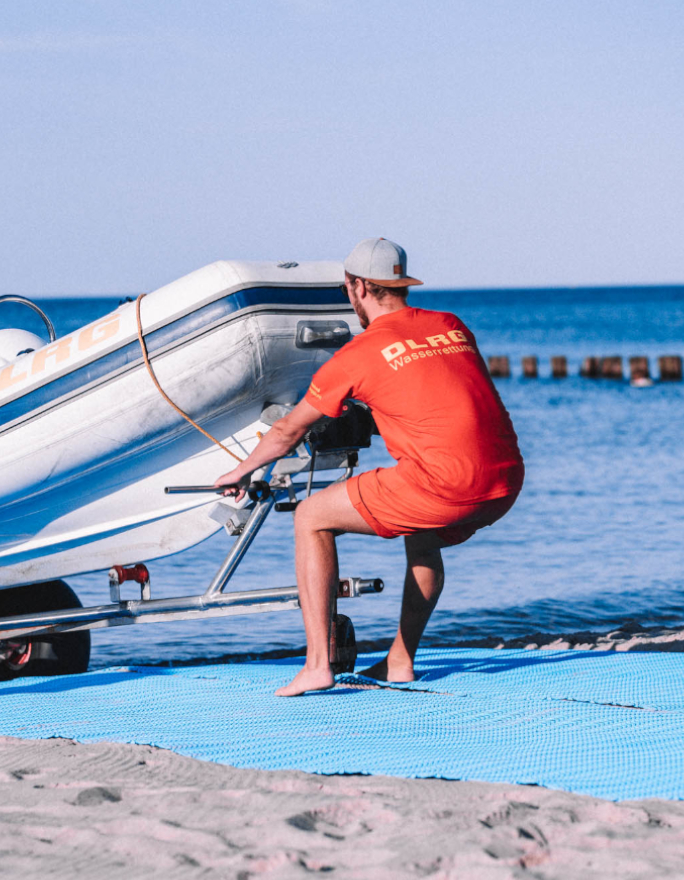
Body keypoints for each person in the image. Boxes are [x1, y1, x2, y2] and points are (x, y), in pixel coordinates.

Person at [214, 238, 524, 696]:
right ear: (401, 284)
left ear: (357, 287)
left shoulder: (357, 354)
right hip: (505, 479)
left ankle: (317, 665)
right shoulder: (451, 325)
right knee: (423, 534)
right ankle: (399, 661)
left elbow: (288, 431)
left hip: (446, 487)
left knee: (310, 517)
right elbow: (440, 397)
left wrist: (240, 471)